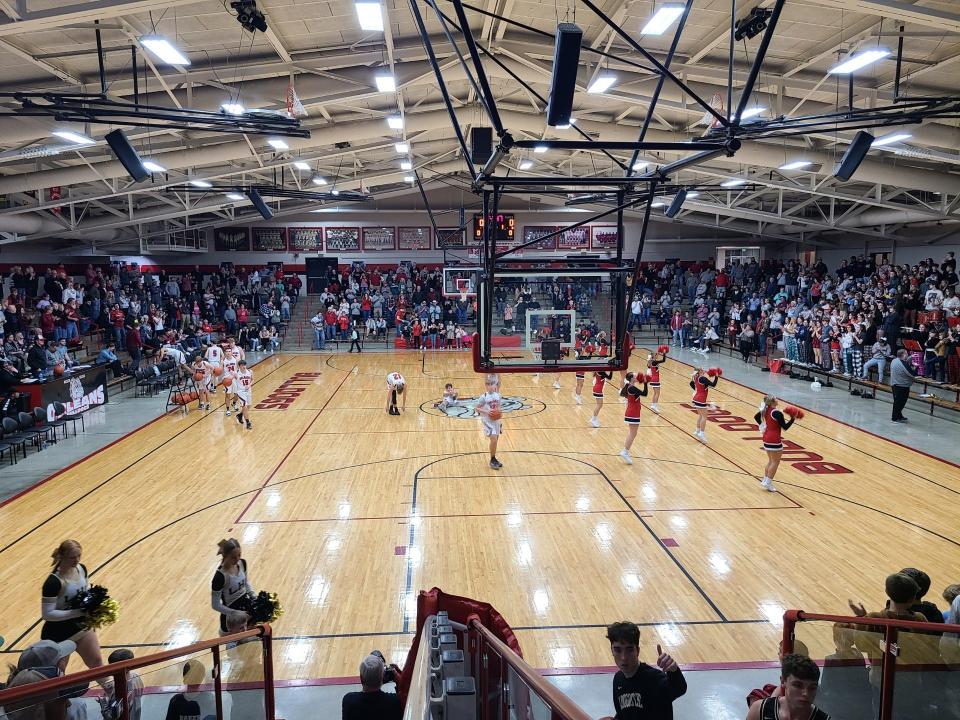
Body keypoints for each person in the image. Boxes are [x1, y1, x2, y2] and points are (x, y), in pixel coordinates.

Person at [40, 540, 104, 671]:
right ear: (62, 557)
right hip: (58, 632)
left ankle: (111, 690)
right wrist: (76, 612)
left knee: (96, 662)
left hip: (80, 626)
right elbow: (47, 614)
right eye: (72, 557)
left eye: (79, 556)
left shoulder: (82, 569)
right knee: (57, 673)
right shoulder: (53, 582)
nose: (76, 560)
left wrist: (94, 604)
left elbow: (86, 590)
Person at [602, 621, 686, 720]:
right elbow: (623, 713)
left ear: (637, 651)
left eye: (629, 650)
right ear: (612, 650)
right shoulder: (618, 679)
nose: (624, 657)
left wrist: (674, 671)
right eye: (617, 650)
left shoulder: (654, 678)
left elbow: (679, 689)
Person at [745, 654, 832, 720]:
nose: (806, 693)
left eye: (812, 687)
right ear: (783, 682)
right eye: (798, 685)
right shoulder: (760, 710)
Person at [753, 395, 797, 493]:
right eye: (776, 399)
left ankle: (765, 479)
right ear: (773, 402)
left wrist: (762, 426)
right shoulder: (776, 413)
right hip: (774, 439)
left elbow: (756, 417)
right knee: (775, 462)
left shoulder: (765, 409)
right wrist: (793, 419)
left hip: (766, 437)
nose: (777, 400)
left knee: (770, 461)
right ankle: (768, 482)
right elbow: (785, 427)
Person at [210, 538, 254, 635]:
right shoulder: (220, 577)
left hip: (246, 609)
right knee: (232, 648)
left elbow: (246, 582)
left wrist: (253, 596)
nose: (237, 559)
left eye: (239, 555)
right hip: (230, 617)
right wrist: (234, 613)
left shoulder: (242, 563)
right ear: (225, 556)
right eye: (233, 557)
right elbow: (215, 605)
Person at [341, 654, 402, 720]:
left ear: (361, 679)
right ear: (382, 678)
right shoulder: (395, 701)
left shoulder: (348, 700)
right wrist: (400, 681)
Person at [618, 372, 648, 465]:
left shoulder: (630, 387)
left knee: (633, 433)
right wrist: (646, 383)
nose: (637, 376)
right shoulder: (632, 388)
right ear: (631, 379)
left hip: (633, 412)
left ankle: (625, 451)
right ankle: (625, 451)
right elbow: (645, 393)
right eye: (635, 376)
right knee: (632, 433)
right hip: (633, 413)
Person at [475, 373, 503, 470]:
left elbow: (499, 406)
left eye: (492, 384)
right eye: (488, 384)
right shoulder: (483, 397)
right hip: (487, 421)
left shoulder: (498, 395)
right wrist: (487, 411)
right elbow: (477, 409)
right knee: (494, 439)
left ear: (496, 385)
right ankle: (492, 459)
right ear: (486, 386)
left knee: (496, 441)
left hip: (496, 421)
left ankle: (494, 458)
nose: (490, 386)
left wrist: (499, 413)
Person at [690, 367, 719, 443]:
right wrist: (716, 375)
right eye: (702, 370)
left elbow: (692, 384)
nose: (704, 370)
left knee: (700, 415)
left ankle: (697, 430)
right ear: (699, 371)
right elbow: (713, 384)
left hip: (696, 398)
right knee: (704, 417)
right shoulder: (702, 378)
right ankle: (701, 434)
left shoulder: (696, 377)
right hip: (701, 400)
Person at [889, 349, 916, 423]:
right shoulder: (904, 364)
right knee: (900, 402)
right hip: (901, 386)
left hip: (895, 384)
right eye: (906, 353)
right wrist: (916, 368)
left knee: (898, 402)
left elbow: (905, 362)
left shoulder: (895, 360)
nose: (907, 354)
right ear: (903, 355)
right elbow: (912, 374)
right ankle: (894, 418)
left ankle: (899, 415)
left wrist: (911, 357)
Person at [234, 359, 253, 430]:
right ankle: (248, 423)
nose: (244, 366)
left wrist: (249, 385)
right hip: (241, 392)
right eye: (242, 365)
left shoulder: (250, 371)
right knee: (244, 406)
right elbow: (230, 378)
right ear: (239, 366)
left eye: (244, 365)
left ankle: (240, 415)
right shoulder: (236, 373)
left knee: (248, 406)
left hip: (248, 390)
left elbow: (252, 379)